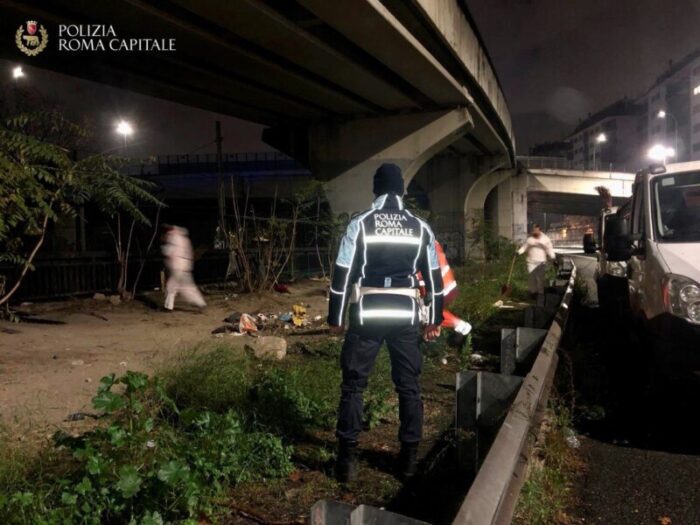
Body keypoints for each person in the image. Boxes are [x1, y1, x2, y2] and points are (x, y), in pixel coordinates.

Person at [328, 163, 444, 482]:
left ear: (376, 189)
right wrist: (433, 319)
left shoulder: (360, 224)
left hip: (367, 315)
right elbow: (434, 278)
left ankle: (346, 462)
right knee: (409, 387)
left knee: (353, 385)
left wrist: (335, 317)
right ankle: (407, 462)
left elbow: (342, 274)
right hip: (405, 315)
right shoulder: (420, 227)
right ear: (401, 190)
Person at [417, 240, 472, 347]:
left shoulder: (418, 237)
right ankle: (459, 328)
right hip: (444, 284)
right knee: (428, 313)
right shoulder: (425, 236)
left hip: (436, 284)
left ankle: (462, 327)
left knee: (428, 313)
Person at [161, 225, 206, 311]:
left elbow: (170, 251)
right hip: (184, 266)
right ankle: (200, 302)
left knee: (172, 286)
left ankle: (168, 306)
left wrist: (163, 249)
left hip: (177, 266)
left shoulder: (173, 237)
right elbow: (188, 253)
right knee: (186, 286)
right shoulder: (184, 239)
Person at [517, 224, 556, 298]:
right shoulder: (530, 239)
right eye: (533, 230)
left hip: (541, 262)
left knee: (539, 279)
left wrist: (552, 256)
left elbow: (549, 249)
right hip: (531, 262)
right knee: (531, 279)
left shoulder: (545, 239)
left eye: (536, 230)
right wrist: (518, 252)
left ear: (539, 230)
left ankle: (540, 294)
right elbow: (524, 247)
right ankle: (533, 293)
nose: (534, 232)